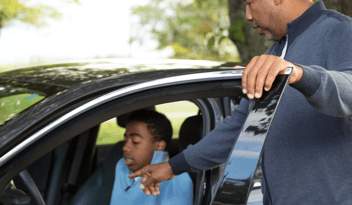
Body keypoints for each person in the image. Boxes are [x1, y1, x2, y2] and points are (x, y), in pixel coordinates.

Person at [129, 0, 352, 204]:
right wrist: (172, 166)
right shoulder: (275, 52)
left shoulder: (340, 30)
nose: (247, 15)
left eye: (250, 3)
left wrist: (300, 75)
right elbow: (239, 128)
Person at [110, 110, 193, 205]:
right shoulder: (121, 166)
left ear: (159, 146)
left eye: (135, 141)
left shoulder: (177, 179)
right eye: (125, 140)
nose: (125, 147)